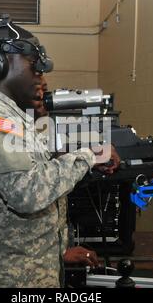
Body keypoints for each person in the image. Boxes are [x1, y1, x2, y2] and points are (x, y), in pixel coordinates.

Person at [0, 14, 119, 288]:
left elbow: (36, 175)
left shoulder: (12, 117)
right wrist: (89, 156)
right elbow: (28, 194)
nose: (40, 76)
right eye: (34, 67)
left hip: (25, 269)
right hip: (2, 277)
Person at [32, 75, 100, 270]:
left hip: (47, 262)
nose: (44, 97)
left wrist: (61, 251)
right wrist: (90, 156)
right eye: (37, 89)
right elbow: (33, 195)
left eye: (46, 90)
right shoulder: (9, 132)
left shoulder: (34, 132)